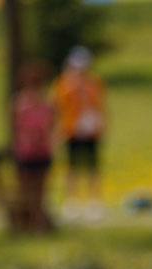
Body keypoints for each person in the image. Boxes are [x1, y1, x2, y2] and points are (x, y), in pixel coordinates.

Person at [51, 46, 106, 222]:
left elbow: (99, 105)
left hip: (91, 131)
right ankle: (71, 201)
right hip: (71, 131)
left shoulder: (94, 83)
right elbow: (58, 106)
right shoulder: (64, 84)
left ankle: (94, 202)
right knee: (71, 168)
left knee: (92, 168)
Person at [11, 61, 56, 233]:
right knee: (24, 190)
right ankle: (24, 222)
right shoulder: (20, 103)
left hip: (41, 150)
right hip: (25, 151)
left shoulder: (46, 103)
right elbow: (16, 128)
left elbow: (50, 126)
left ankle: (39, 222)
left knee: (40, 191)